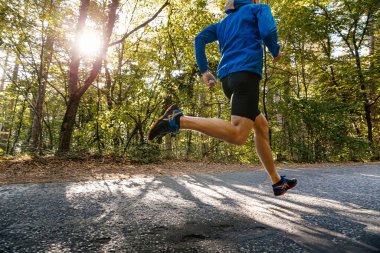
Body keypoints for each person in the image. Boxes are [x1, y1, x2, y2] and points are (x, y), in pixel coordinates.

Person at [148, 0, 297, 196]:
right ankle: (178, 119)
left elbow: (199, 38)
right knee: (238, 134)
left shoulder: (222, 25)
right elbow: (268, 32)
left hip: (228, 80)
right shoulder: (258, 9)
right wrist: (275, 50)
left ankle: (277, 182)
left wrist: (204, 71)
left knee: (261, 126)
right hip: (246, 75)